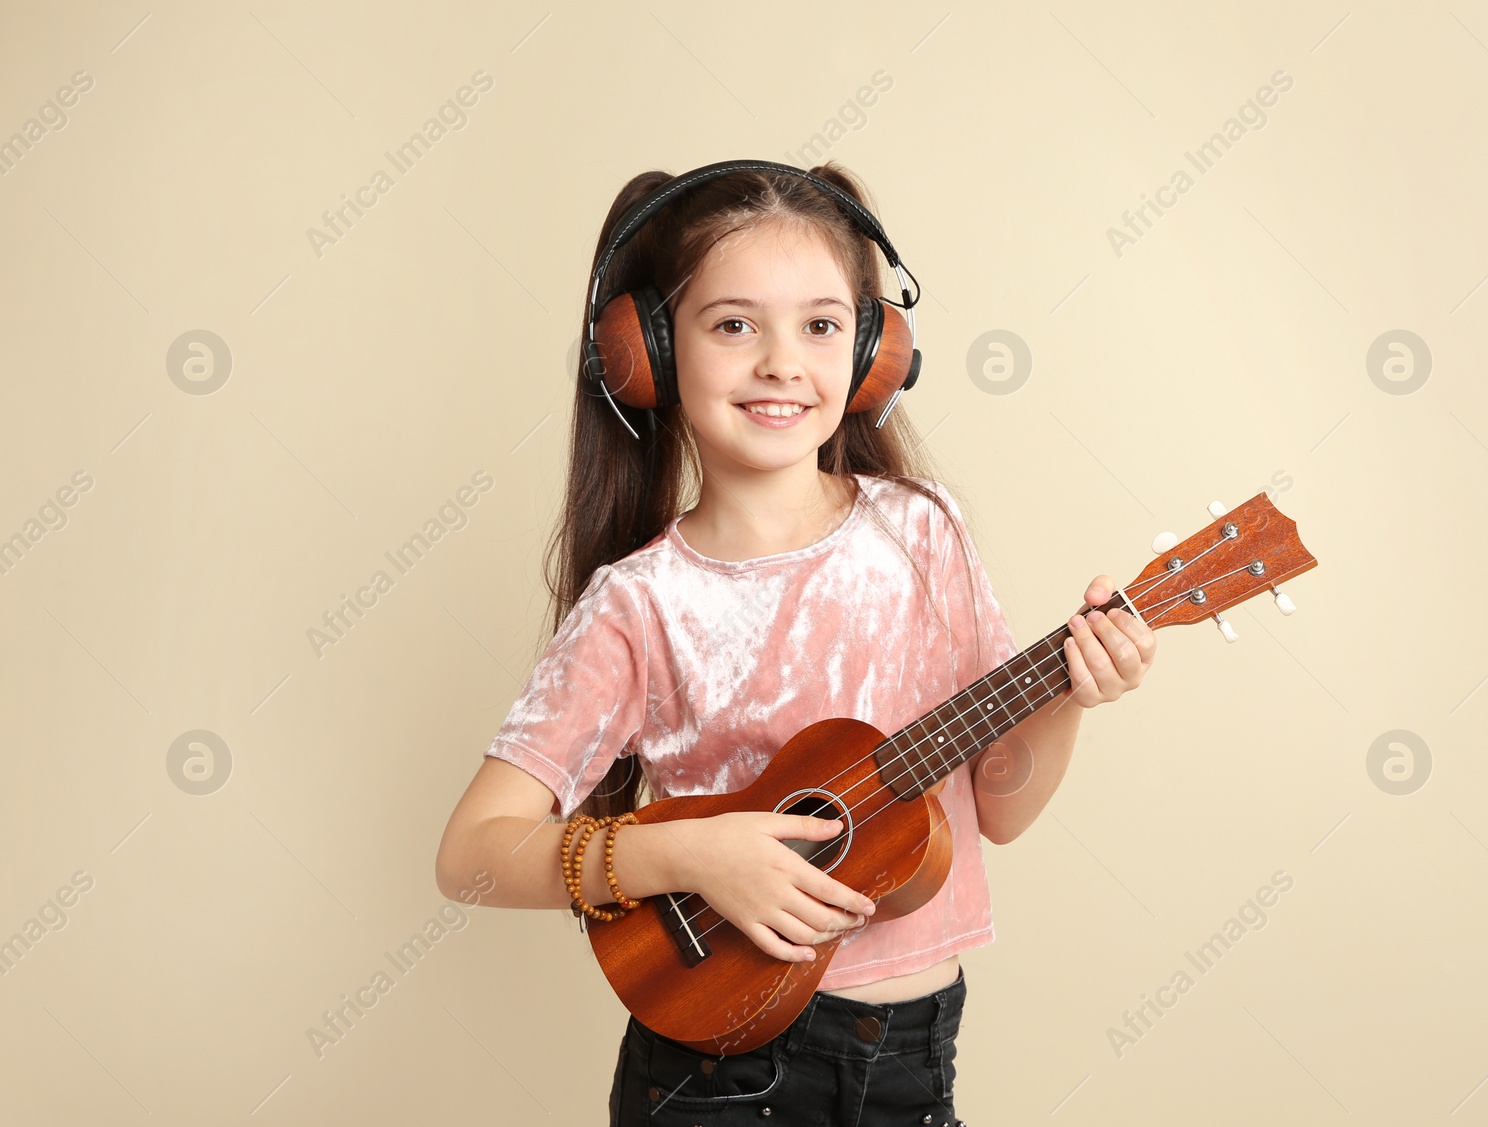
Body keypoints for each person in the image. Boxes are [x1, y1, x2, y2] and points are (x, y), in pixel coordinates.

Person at [434, 161, 1157, 1126]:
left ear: (872, 350)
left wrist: (1070, 693)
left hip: (915, 1059)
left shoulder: (923, 530)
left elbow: (1001, 809)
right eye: (734, 325)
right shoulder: (641, 602)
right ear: (647, 350)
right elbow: (472, 854)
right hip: (717, 1078)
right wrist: (691, 856)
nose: (783, 362)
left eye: (820, 325)